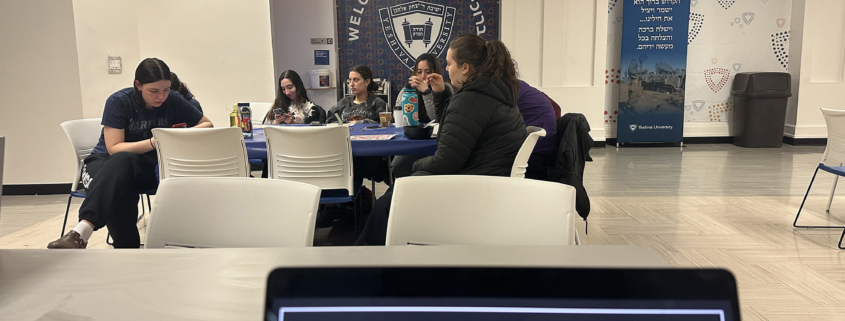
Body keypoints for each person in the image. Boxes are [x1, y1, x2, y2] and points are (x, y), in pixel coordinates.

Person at [355, 34, 527, 245]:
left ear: (465, 68)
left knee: (389, 201)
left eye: (449, 63)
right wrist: (441, 94)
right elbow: (460, 127)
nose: (446, 69)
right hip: (489, 182)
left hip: (470, 190)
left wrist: (416, 166)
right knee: (397, 189)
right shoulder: (494, 92)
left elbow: (446, 160)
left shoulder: (471, 99)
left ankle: (366, 264)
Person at [48, 58, 213, 249]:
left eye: (166, 90)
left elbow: (206, 124)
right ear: (138, 85)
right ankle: (123, 246)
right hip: (104, 163)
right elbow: (114, 148)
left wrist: (177, 136)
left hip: (145, 165)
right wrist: (156, 141)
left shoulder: (173, 99)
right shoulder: (119, 101)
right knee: (121, 172)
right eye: (154, 91)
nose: (161, 96)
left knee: (123, 177)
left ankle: (81, 233)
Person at [391, 54, 454, 178]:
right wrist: (408, 92)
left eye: (427, 72)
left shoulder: (444, 87)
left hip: (435, 142)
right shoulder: (407, 90)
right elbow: (399, 116)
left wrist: (427, 92)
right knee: (397, 165)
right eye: (419, 72)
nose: (423, 76)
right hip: (412, 140)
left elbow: (435, 117)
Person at [516, 80, 558, 181]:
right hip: (545, 149)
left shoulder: (509, 89)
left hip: (535, 156)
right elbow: (557, 108)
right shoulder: (521, 86)